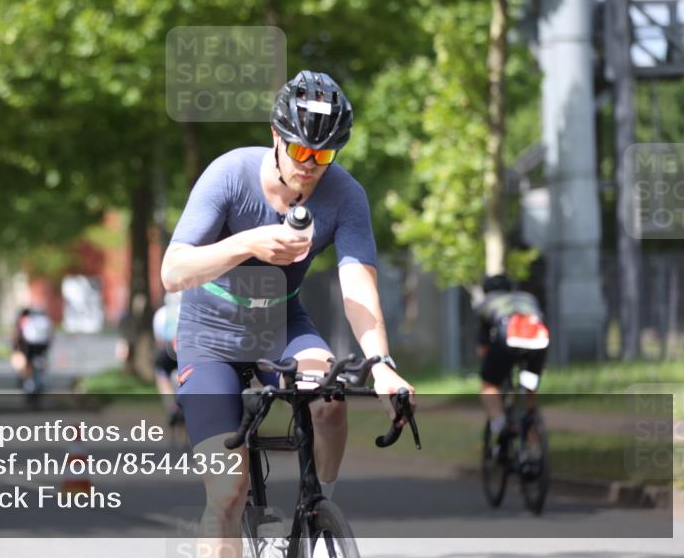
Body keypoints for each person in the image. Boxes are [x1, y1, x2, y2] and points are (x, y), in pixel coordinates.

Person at [161, 70, 414, 555]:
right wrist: (249, 242)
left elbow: (358, 283)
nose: (310, 165)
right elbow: (173, 272)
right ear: (275, 136)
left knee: (331, 400)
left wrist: (382, 365)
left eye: (324, 155)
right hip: (209, 335)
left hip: (280, 324)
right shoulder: (230, 174)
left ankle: (317, 517)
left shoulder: (345, 195)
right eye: (300, 151)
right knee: (228, 494)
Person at [476, 273, 550, 448]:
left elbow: (483, 349)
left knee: (489, 386)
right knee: (529, 387)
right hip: (538, 340)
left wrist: (493, 369)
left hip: (506, 337)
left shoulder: (485, 304)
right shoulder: (528, 299)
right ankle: (534, 448)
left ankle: (501, 425)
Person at [152, 291, 183, 427]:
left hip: (168, 351)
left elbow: (159, 340)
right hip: (185, 351)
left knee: (161, 373)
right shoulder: (187, 310)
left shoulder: (161, 313)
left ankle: (171, 406)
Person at [11, 307, 54, 394]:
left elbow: (17, 335)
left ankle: (29, 382)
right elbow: (51, 336)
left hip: (29, 347)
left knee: (28, 364)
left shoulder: (24, 320)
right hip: (42, 347)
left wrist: (16, 348)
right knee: (42, 361)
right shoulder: (45, 321)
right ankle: (42, 379)